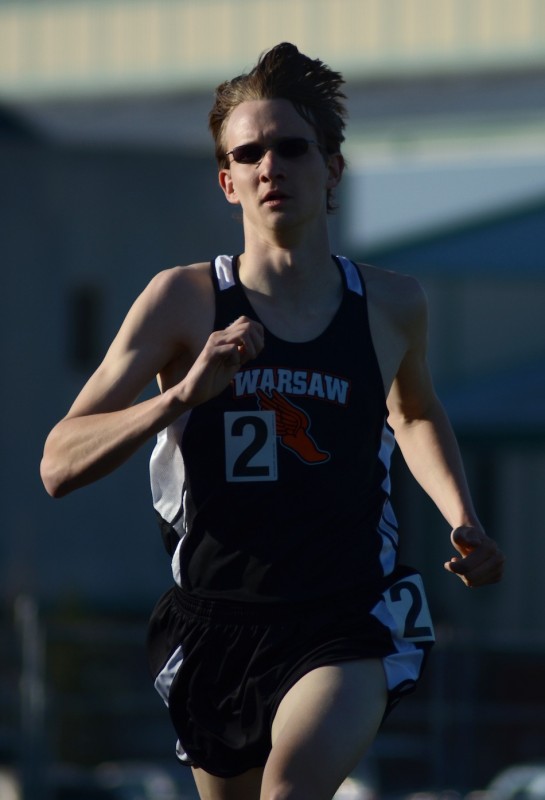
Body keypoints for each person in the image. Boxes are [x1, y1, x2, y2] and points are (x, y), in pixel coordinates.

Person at [41, 42, 504, 800]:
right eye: (248, 153)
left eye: (290, 147)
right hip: (215, 621)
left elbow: (413, 411)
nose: (269, 165)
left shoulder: (390, 305)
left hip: (345, 612)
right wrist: (181, 395)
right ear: (227, 181)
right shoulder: (181, 303)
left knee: (288, 793)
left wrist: (462, 517)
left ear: (333, 169)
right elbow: (58, 462)